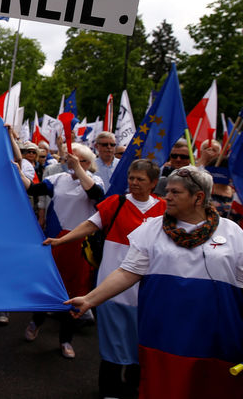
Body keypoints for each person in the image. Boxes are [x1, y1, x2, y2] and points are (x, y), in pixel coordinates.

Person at [67, 166, 243, 398]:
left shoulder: (233, 233)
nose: (167, 196)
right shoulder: (152, 229)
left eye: (175, 192)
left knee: (209, 386)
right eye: (167, 190)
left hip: (214, 333)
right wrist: (90, 299)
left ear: (198, 197)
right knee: (165, 386)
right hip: (164, 330)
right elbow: (126, 272)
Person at [43, 159, 165, 396]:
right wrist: (61, 240)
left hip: (147, 291)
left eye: (141, 179)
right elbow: (90, 225)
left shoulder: (163, 210)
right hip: (112, 287)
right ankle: (109, 390)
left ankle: (133, 388)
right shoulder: (116, 203)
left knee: (140, 344)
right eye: (132, 178)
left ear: (153, 183)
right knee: (112, 341)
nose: (134, 183)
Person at [22, 143, 105, 358]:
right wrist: (15, 170)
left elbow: (96, 195)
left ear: (87, 162)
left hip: (80, 244)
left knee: (75, 292)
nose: (71, 162)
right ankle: (36, 321)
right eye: (70, 159)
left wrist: (79, 168)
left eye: (78, 159)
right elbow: (33, 188)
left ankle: (66, 339)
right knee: (47, 283)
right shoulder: (58, 179)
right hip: (55, 240)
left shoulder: (95, 180)